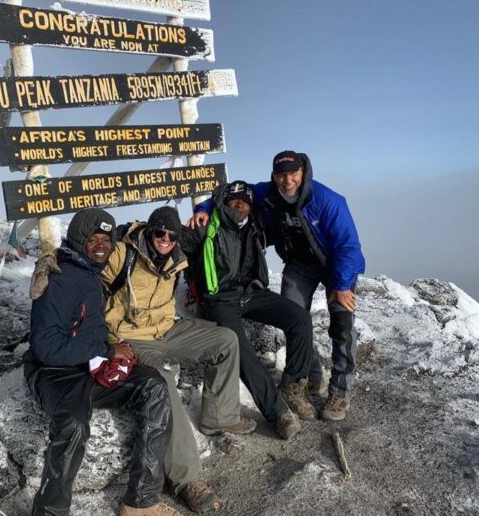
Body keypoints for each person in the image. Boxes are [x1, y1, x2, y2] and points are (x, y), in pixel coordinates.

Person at [23, 208, 181, 516]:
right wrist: (107, 351)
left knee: (153, 385)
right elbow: (46, 347)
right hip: (54, 373)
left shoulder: (91, 272)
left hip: (89, 366)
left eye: (107, 240)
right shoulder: (59, 278)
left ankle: (140, 503)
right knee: (73, 425)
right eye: (94, 238)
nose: (101, 245)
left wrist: (112, 349)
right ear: (79, 238)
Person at [101, 206, 256, 515]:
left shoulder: (176, 256)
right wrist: (53, 260)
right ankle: (187, 480)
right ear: (149, 231)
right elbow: (87, 264)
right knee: (162, 383)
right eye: (160, 233)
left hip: (166, 329)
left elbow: (213, 230)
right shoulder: (122, 254)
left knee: (225, 339)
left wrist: (206, 212)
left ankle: (219, 416)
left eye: (172, 236)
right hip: (132, 338)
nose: (166, 240)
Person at [190, 152, 365, 421]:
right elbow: (231, 194)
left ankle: (340, 392)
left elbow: (348, 245)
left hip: (336, 265)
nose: (288, 180)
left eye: (294, 174)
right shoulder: (268, 192)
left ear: (303, 172)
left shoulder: (327, 200)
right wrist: (202, 209)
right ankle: (309, 377)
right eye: (282, 175)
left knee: (341, 325)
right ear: (274, 176)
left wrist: (341, 285)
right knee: (296, 318)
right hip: (300, 266)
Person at [180, 181, 315, 440]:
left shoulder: (254, 225)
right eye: (235, 200)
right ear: (224, 202)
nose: (240, 205)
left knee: (300, 319)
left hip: (251, 293)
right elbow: (170, 245)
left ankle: (291, 386)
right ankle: (278, 412)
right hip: (219, 299)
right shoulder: (205, 226)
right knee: (240, 348)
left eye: (245, 201)